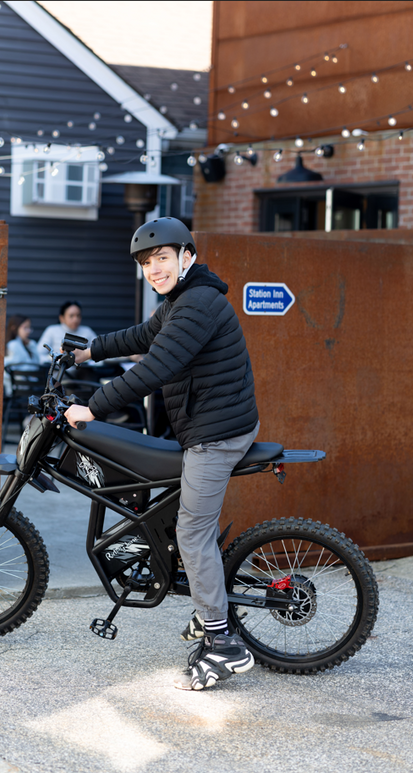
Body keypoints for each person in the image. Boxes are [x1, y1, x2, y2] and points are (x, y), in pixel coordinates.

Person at [64, 217, 260, 691]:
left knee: (191, 534)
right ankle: (208, 607)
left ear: (186, 256)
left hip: (216, 434)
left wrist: (91, 406)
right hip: (201, 425)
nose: (154, 269)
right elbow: (140, 337)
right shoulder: (181, 300)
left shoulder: (198, 303)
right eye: (147, 263)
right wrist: (85, 352)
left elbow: (155, 368)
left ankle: (224, 643)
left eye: (162, 259)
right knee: (181, 523)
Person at [3, 314, 40, 397]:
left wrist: (32, 346)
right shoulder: (14, 344)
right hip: (21, 387)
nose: (28, 331)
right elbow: (32, 366)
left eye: (29, 328)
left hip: (25, 386)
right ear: (14, 328)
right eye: (25, 328)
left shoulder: (26, 345)